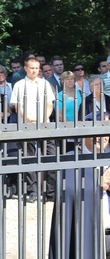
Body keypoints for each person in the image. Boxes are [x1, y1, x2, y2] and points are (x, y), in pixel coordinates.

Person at [10, 57, 56, 201]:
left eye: (37, 68)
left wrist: (42, 120)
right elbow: (18, 107)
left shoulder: (44, 84)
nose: (35, 70)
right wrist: (30, 120)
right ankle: (32, 191)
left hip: (45, 125)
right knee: (30, 158)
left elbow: (50, 104)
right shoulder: (19, 85)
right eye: (32, 68)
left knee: (51, 157)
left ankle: (50, 192)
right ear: (26, 68)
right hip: (26, 126)